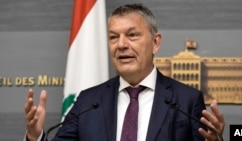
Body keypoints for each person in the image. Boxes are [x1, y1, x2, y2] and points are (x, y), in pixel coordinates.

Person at [24, 3, 225, 141]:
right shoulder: (88, 101)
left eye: (132, 35)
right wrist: (35, 136)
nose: (121, 45)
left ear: (155, 43)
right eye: (113, 37)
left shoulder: (187, 101)